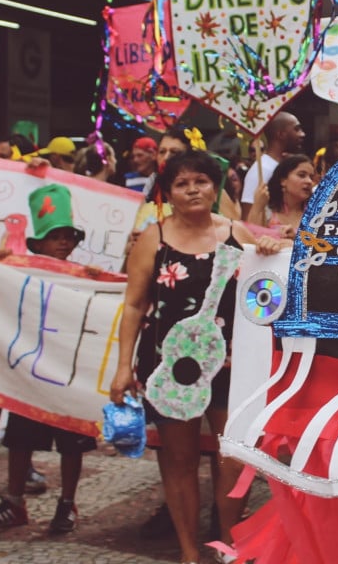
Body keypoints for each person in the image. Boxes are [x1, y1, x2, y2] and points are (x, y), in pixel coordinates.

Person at [110, 150, 245, 564]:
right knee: (180, 459)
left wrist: (273, 246)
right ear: (168, 192)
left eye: (201, 180)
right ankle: (188, 551)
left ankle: (230, 545)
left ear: (215, 185)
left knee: (235, 456)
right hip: (170, 369)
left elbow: (270, 286)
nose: (193, 190)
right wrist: (121, 368)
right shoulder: (154, 238)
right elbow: (133, 306)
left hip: (231, 366)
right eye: (182, 183)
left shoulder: (239, 233)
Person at [0, 184, 96, 534]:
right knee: (20, 436)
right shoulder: (20, 272)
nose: (63, 243)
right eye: (54, 237)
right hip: (30, 368)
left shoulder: (84, 278)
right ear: (37, 243)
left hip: (68, 372)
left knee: (72, 438)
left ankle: (66, 503)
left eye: (68, 236)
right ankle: (14, 501)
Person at [239, 112, 305, 217]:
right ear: (281, 134)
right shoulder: (261, 170)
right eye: (297, 129)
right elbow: (248, 217)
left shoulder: (286, 165)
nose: (302, 134)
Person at [244, 154, 315, 234]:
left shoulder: (316, 214)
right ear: (283, 181)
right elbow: (251, 237)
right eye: (302, 175)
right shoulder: (267, 211)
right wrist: (257, 206)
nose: (309, 181)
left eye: (311, 178)